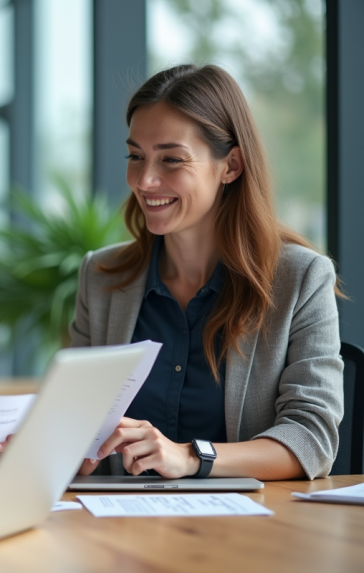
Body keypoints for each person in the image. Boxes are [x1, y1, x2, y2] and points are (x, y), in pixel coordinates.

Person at [67, 64, 342, 481]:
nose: (145, 180)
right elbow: (74, 423)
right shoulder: (101, 276)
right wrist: (63, 446)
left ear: (230, 166)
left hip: (247, 534)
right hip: (117, 529)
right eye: (136, 157)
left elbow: (312, 439)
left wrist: (191, 457)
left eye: (171, 159)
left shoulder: (301, 278)